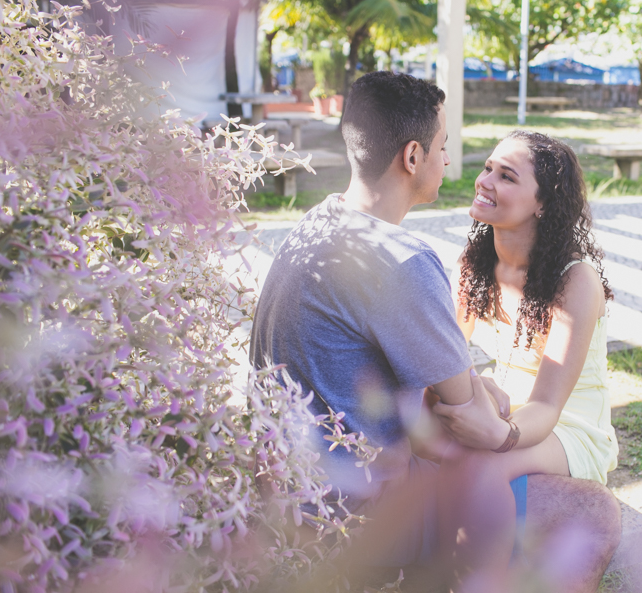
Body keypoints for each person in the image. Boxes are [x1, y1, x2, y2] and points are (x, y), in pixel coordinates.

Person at [249, 72, 620, 590]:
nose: (458, 166)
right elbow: (462, 403)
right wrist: (478, 395)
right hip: (356, 510)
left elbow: (455, 391)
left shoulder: (314, 224)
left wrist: (477, 398)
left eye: (504, 174)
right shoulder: (404, 261)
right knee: (594, 512)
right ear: (412, 156)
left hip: (290, 485)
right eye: (445, 147)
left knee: (476, 453)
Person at [432, 131, 619, 592]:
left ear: (542, 203)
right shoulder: (475, 264)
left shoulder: (576, 280)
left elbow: (550, 407)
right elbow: (446, 357)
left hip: (567, 428)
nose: (485, 181)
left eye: (507, 176)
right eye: (488, 168)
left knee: (483, 468)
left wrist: (499, 435)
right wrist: (472, 394)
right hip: (509, 414)